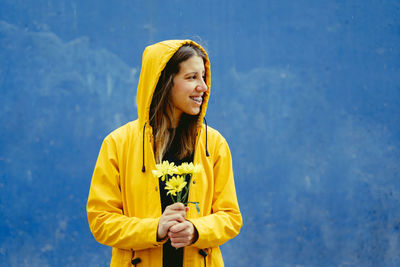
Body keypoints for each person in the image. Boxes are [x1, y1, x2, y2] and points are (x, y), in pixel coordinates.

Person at [87, 40, 242, 267]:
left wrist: (196, 230)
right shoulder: (118, 143)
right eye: (191, 78)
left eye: (203, 77)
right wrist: (155, 229)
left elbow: (231, 217)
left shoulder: (214, 144)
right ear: (164, 82)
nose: (203, 87)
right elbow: (101, 222)